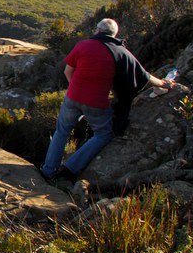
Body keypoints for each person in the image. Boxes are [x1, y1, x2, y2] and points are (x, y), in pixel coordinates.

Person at [41, 18, 177, 183]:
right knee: (103, 134)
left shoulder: (83, 45)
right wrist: (163, 83)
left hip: (72, 97)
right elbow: (144, 76)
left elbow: (67, 71)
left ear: (98, 30)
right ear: (114, 34)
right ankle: (69, 169)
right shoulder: (121, 52)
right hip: (96, 103)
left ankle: (48, 171)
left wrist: (75, 89)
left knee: (62, 131)